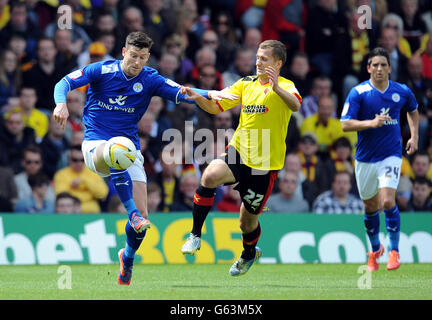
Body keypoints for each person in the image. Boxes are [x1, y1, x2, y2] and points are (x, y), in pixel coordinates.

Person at [52, 31, 236, 285]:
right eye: (133, 55)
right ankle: (131, 213)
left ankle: (127, 257)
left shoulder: (150, 79)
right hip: (95, 145)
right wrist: (61, 103)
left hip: (129, 152)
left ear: (147, 57)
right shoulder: (101, 70)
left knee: (143, 221)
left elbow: (183, 91)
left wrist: (214, 93)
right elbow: (63, 83)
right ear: (124, 52)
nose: (137, 62)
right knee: (117, 151)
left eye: (142, 57)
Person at [181, 40, 302, 276]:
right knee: (210, 175)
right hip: (239, 151)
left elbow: (296, 105)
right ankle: (195, 235)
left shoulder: (286, 86)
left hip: (264, 166)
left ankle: (248, 253)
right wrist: (198, 97)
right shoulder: (246, 84)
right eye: (257, 57)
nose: (258, 62)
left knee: (246, 223)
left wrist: (276, 88)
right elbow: (217, 107)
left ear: (277, 63)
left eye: (264, 59)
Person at [341, 47, 419, 271]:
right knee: (370, 207)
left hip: (391, 155)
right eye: (375, 65)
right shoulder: (358, 92)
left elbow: (413, 111)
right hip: (365, 158)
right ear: (368, 68)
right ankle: (375, 251)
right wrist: (371, 123)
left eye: (383, 64)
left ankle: (394, 251)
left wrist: (414, 137)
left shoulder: (401, 91)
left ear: (390, 68)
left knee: (387, 201)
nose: (379, 68)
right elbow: (345, 124)